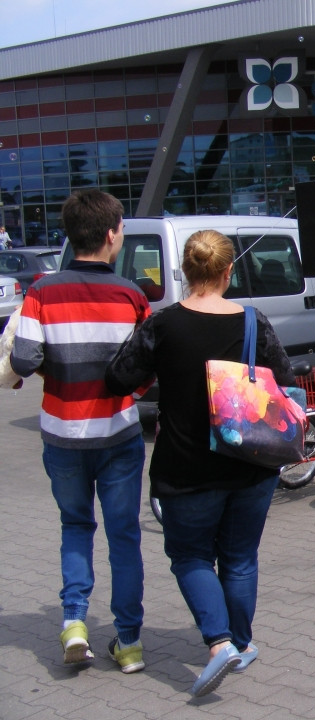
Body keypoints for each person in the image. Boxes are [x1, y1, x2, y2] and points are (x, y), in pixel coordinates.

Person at [105, 230, 295, 696]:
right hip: (251, 461)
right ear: (228, 271)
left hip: (185, 467)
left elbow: (119, 376)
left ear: (185, 272)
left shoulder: (163, 324)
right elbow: (285, 381)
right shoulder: (254, 322)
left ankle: (218, 644)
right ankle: (243, 643)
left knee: (190, 556)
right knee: (239, 557)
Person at [10, 190, 150, 673]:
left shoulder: (41, 292)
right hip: (118, 436)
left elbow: (22, 360)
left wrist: (60, 366)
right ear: (111, 236)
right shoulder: (132, 296)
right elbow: (145, 371)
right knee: (124, 536)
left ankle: (74, 623)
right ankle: (129, 643)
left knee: (75, 526)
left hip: (62, 436)